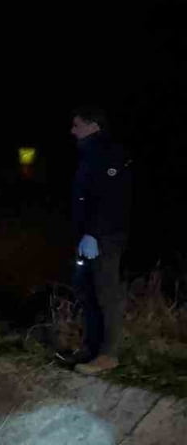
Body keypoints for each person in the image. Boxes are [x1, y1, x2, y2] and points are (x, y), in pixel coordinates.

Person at [66, 106, 132, 376]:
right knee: (90, 293)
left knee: (106, 294)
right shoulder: (91, 154)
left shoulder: (109, 153)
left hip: (105, 236)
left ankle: (108, 355)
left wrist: (94, 232)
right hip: (90, 235)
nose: (72, 130)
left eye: (77, 124)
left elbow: (112, 198)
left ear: (94, 126)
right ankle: (93, 349)